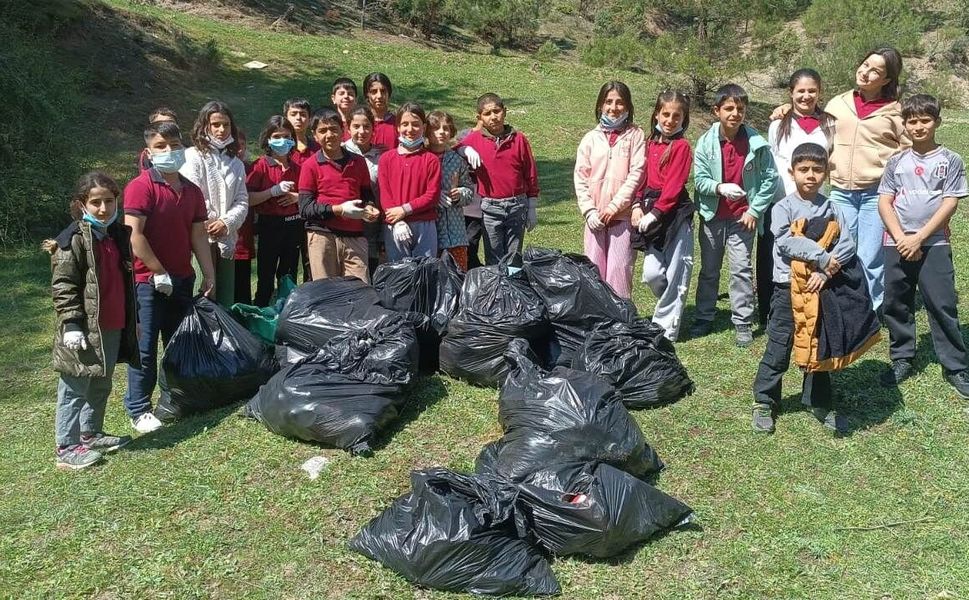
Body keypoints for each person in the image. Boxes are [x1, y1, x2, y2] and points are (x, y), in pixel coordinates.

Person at [772, 48, 909, 312]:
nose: (866, 72)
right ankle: (840, 302)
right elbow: (810, 110)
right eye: (865, 64)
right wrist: (787, 107)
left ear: (887, 80)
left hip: (874, 194)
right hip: (839, 193)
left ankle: (867, 310)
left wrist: (892, 175)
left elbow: (908, 148)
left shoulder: (894, 111)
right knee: (836, 248)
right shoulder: (839, 103)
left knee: (870, 257)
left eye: (875, 71)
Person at [752, 143, 854, 435]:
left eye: (817, 169)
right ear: (792, 172)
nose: (810, 175)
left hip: (820, 287)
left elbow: (847, 243)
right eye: (804, 169)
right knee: (780, 343)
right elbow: (785, 241)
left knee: (817, 343)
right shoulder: (783, 207)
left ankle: (818, 400)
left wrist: (825, 271)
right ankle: (765, 400)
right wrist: (822, 256)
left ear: (826, 173)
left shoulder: (832, 207)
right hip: (788, 288)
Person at [123, 121, 216, 434]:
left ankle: (175, 398)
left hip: (183, 278)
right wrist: (157, 271)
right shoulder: (141, 187)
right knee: (146, 346)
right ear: (149, 152)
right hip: (147, 282)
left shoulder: (191, 190)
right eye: (161, 147)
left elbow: (199, 235)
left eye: (175, 146)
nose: (169, 152)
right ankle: (139, 408)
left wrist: (208, 273)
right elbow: (133, 236)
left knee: (178, 343)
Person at [877, 94, 969, 397]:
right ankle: (902, 356)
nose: (918, 126)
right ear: (904, 125)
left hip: (934, 242)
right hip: (896, 242)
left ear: (937, 122)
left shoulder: (950, 160)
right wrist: (902, 237)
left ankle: (955, 365)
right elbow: (885, 201)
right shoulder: (897, 161)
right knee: (896, 301)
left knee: (942, 302)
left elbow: (950, 202)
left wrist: (920, 237)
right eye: (912, 121)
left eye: (925, 120)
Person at [45, 172, 138, 469]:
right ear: (81, 204)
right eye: (95, 202)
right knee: (75, 386)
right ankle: (66, 446)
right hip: (83, 329)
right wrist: (71, 323)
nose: (103, 208)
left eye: (109, 201)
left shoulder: (118, 235)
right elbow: (64, 285)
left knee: (101, 382)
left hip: (111, 325)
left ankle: (90, 432)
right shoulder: (72, 239)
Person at [691, 83, 778, 346]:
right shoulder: (706, 143)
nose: (734, 113)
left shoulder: (756, 143)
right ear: (717, 110)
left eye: (740, 108)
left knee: (741, 270)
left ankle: (742, 321)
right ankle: (704, 316)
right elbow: (699, 180)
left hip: (743, 218)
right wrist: (718, 188)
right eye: (728, 108)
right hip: (713, 215)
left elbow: (770, 180)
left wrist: (754, 210)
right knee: (709, 269)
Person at [631, 90, 695, 341]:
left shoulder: (681, 147)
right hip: (650, 211)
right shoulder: (648, 144)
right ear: (657, 114)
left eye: (676, 116)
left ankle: (665, 329)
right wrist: (637, 205)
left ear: (683, 119)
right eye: (665, 114)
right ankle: (671, 305)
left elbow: (674, 186)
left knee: (678, 271)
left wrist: (656, 213)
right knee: (652, 274)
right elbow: (640, 177)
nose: (669, 120)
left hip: (675, 214)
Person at [574, 81, 645, 299]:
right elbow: (580, 177)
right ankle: (597, 320)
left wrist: (616, 206)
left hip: (621, 217)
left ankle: (621, 321)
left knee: (619, 270)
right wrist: (589, 211)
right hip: (595, 218)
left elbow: (637, 172)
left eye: (619, 103)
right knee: (593, 271)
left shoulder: (635, 135)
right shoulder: (590, 139)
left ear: (628, 106)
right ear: (600, 106)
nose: (614, 108)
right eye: (608, 102)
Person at [180, 100, 249, 307]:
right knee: (204, 295)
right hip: (201, 235)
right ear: (205, 126)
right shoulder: (192, 155)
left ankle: (224, 337)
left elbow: (242, 200)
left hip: (227, 236)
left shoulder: (236, 163)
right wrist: (212, 221)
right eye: (215, 124)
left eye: (226, 125)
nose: (221, 130)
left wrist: (226, 223)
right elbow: (193, 194)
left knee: (226, 295)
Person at [457, 93, 539, 264]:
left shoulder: (519, 139)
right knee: (493, 255)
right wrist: (464, 149)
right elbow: (452, 147)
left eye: (497, 111)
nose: (493, 117)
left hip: (517, 204)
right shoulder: (474, 139)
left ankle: (513, 288)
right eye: (487, 114)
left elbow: (530, 172)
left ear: (505, 111)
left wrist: (532, 206)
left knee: (514, 254)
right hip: (490, 208)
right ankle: (497, 288)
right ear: (479, 117)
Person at [298, 108, 379, 281]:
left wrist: (370, 207)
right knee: (326, 292)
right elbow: (304, 208)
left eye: (334, 129)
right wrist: (338, 209)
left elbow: (366, 193)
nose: (330, 135)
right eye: (323, 131)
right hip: (322, 235)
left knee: (360, 290)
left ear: (343, 130)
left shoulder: (358, 162)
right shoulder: (310, 165)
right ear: (315, 135)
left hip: (355, 236)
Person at [247, 115, 302, 306]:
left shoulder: (298, 167)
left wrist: (297, 197)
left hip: (294, 224)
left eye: (286, 136)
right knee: (266, 275)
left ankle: (286, 317)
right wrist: (272, 191)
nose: (282, 141)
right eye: (277, 136)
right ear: (268, 139)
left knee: (288, 276)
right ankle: (261, 312)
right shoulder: (261, 165)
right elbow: (249, 198)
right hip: (270, 225)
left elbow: (310, 196)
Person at [378, 102, 442, 261]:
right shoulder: (386, 159)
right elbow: (385, 194)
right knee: (399, 274)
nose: (410, 129)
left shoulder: (430, 160)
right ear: (397, 127)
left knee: (425, 272)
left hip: (424, 225)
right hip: (395, 225)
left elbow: (432, 195)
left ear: (424, 127)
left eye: (415, 124)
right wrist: (397, 221)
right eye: (405, 124)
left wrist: (404, 210)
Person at [427, 110, 474, 270]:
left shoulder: (457, 160)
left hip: (456, 232)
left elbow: (469, 190)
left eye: (446, 128)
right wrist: (433, 196)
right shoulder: (422, 158)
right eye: (436, 128)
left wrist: (460, 193)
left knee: (457, 275)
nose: (441, 132)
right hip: (431, 231)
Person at [343, 105, 385, 276]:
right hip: (346, 222)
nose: (362, 131)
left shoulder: (381, 156)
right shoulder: (339, 152)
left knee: (372, 268)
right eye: (356, 126)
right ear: (348, 127)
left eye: (367, 126)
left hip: (373, 223)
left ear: (373, 128)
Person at [283, 97, 317, 283]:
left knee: (311, 264)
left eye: (303, 114)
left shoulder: (318, 149)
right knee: (287, 266)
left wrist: (300, 198)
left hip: (311, 216)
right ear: (286, 117)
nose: (298, 118)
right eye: (293, 114)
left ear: (309, 118)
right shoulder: (280, 149)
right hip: (286, 218)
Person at [363, 72, 398, 150]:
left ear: (389, 93)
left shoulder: (398, 123)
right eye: (374, 91)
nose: (379, 96)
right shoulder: (359, 124)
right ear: (367, 95)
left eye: (383, 91)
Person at [138, 107, 178, 172]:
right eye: (160, 124)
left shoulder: (189, 150)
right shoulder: (147, 157)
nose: (166, 127)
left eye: (171, 123)